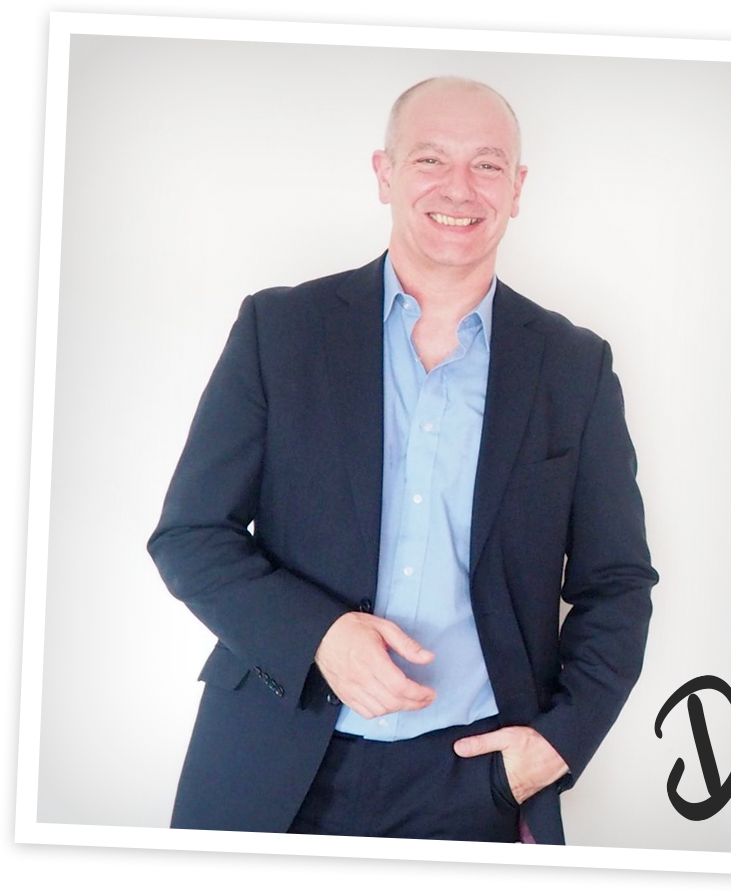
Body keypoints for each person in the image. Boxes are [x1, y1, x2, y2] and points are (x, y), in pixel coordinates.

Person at [147, 76, 658, 845]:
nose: (459, 187)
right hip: (274, 756)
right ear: (384, 173)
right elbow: (190, 535)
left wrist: (557, 745)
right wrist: (321, 636)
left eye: (487, 165)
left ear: (517, 188)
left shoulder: (573, 366)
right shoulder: (279, 329)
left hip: (477, 781)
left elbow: (615, 585)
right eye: (430, 159)